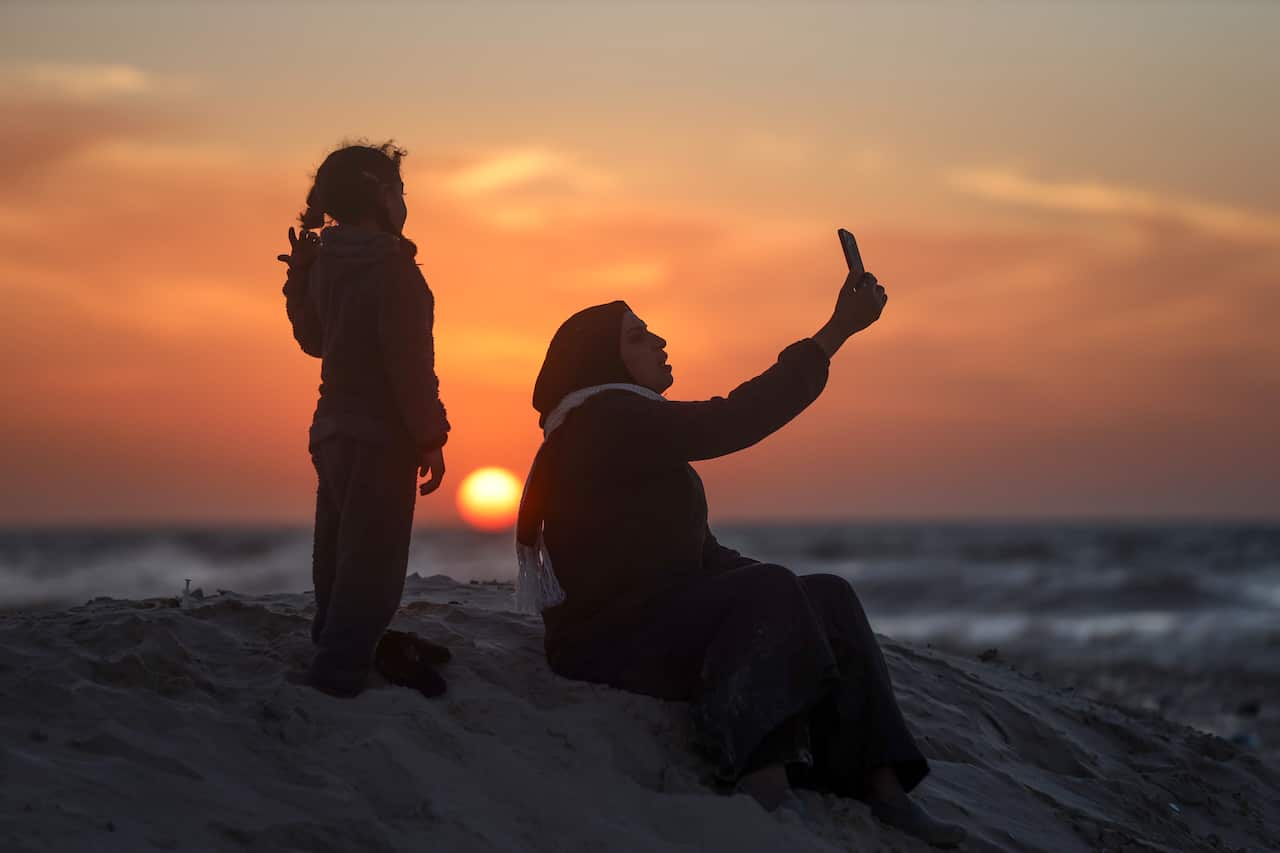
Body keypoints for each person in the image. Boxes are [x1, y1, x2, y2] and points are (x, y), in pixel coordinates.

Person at [514, 257, 966, 847]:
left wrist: (790, 600)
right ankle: (760, 776)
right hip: (609, 641)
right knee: (770, 587)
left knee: (825, 594)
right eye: (639, 336)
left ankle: (882, 788)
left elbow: (691, 554)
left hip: (655, 616)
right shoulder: (607, 419)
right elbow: (735, 419)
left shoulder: (620, 421)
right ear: (603, 359)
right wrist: (834, 334)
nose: (659, 341)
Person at [277, 141, 450, 698]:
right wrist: (430, 434)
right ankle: (339, 670)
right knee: (372, 565)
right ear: (380, 194)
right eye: (401, 191)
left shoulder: (325, 260)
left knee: (335, 550)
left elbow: (312, 340)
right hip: (381, 437)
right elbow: (410, 366)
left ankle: (331, 637)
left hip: (329, 433)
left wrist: (298, 280)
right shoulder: (395, 269)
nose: (405, 203)